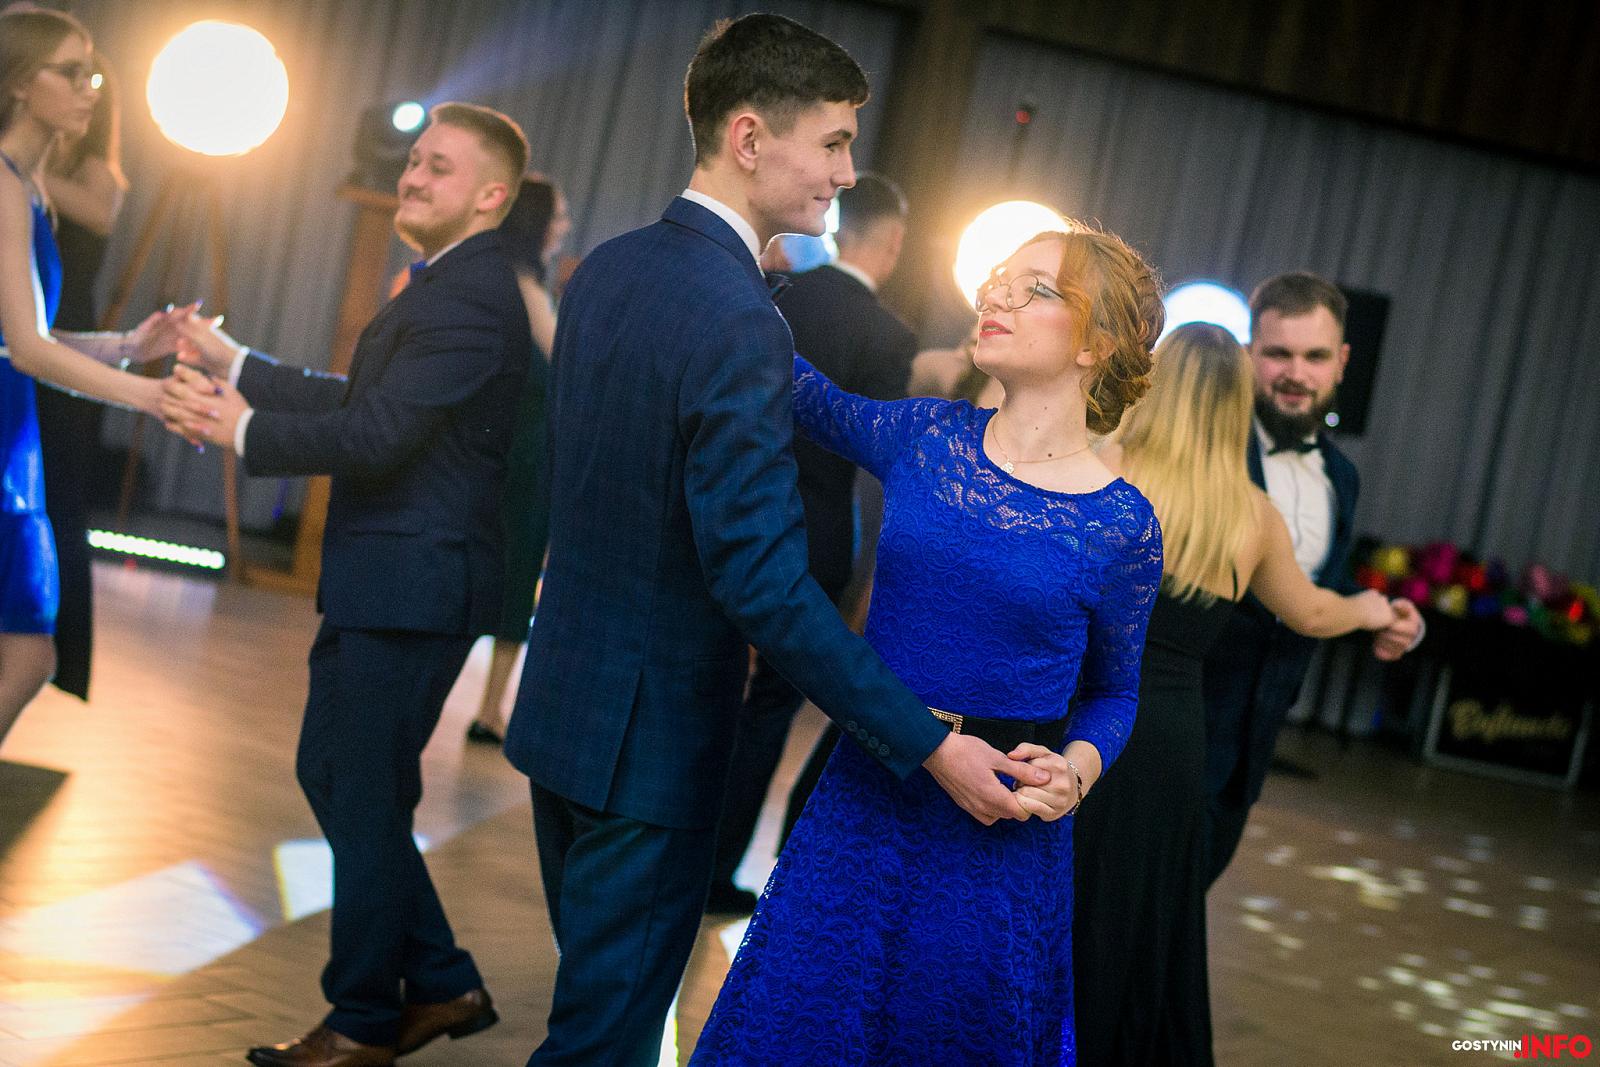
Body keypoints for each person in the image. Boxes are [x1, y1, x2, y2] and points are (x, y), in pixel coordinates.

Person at [501, 16, 1039, 1065]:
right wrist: (929, 740)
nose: (846, 172)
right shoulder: (743, 316)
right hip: (651, 743)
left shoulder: (606, 268)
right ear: (749, 138)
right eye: (832, 142)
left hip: (562, 710)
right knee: (603, 1042)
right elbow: (762, 580)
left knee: (598, 1013)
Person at [692, 225, 1165, 1064]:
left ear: (1096, 342)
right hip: (866, 792)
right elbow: (792, 384)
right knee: (801, 1027)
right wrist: (722, 247)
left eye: (1033, 287)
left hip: (997, 834)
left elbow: (1116, 691)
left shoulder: (1122, 524)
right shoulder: (926, 436)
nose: (995, 295)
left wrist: (1078, 770)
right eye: (998, 278)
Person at [160, 103, 533, 1067]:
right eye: (414, 161)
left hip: (417, 581)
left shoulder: (470, 295)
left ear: (491, 195)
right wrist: (239, 367)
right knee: (338, 774)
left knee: (360, 792)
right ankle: (440, 979)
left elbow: (375, 436)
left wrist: (242, 428)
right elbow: (366, 404)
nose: (413, 177)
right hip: (392, 578)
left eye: (439, 167)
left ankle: (364, 1018)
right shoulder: (448, 283)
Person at [1072, 322, 1402, 1066]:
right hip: (1170, 742)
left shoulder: (1100, 471)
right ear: (1236, 405)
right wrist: (1373, 610)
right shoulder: (1253, 515)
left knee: (1063, 898)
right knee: (1139, 921)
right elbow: (1311, 613)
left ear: (1156, 385)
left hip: (1084, 717)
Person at [705, 171, 918, 914]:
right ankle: (717, 869)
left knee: (701, 685)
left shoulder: (781, 296)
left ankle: (672, 848)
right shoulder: (888, 336)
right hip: (814, 538)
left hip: (733, 512)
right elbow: (879, 460)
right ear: (893, 242)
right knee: (767, 710)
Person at [1202, 272, 1423, 887]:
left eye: (1315, 357)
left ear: (1342, 362)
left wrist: (1387, 615)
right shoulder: (1208, 451)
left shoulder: (1342, 477)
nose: (1296, 373)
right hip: (1171, 727)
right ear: (1249, 354)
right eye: (1278, 353)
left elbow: (1318, 584)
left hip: (1255, 740)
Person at [0, 7, 174, 748]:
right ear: (18, 83)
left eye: (91, 74)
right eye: (70, 73)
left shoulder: (28, 186)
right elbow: (28, 349)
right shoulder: (4, 184)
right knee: (27, 653)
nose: (89, 89)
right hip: (6, 425)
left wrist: (128, 345)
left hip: (11, 428)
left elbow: (25, 339)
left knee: (29, 653)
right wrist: (149, 395)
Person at [463, 174, 569, 745]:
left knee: (488, 571)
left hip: (500, 449)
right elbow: (563, 363)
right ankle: (489, 710)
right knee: (513, 572)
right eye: (558, 215)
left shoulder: (495, 277)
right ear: (536, 222)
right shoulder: (525, 288)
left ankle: (487, 707)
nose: (565, 226)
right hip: (521, 456)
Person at [34, 49, 126, 702]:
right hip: (29, 336)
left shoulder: (98, 172)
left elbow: (99, 211)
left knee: (57, 499)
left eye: (89, 83)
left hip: (66, 344)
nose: (82, 92)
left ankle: (53, 652)